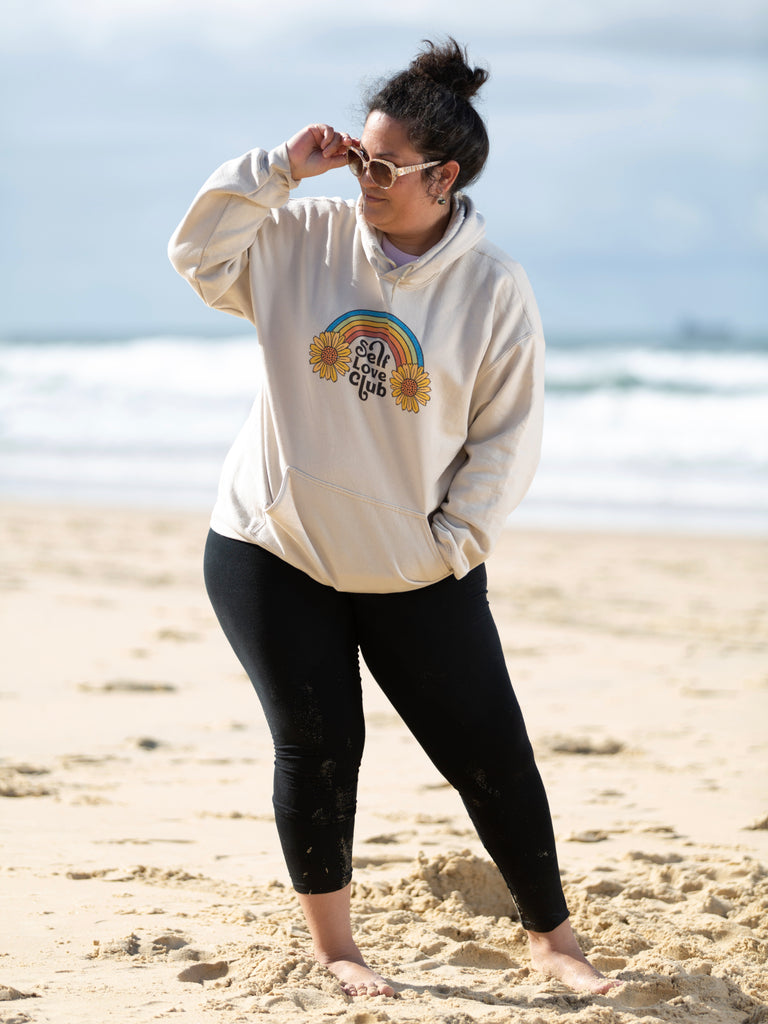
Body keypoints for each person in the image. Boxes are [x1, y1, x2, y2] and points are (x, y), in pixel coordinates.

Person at [168, 38, 619, 999]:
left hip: (415, 566)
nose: (363, 177)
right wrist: (281, 170)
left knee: (489, 749)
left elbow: (506, 439)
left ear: (443, 176)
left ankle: (555, 941)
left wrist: (449, 545)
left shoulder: (493, 289)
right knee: (320, 743)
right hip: (272, 544)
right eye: (359, 158)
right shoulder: (303, 238)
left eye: (383, 165)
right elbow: (198, 256)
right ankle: (337, 947)